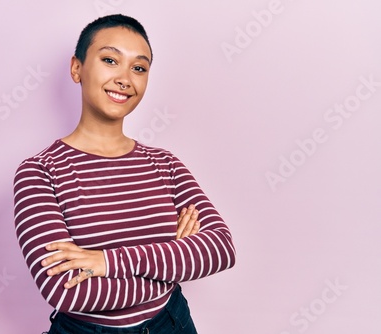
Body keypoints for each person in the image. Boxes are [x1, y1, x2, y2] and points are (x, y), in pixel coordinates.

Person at [13, 14, 236, 334]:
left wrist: (105, 262)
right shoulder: (40, 172)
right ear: (77, 68)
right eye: (109, 60)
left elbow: (219, 248)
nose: (125, 78)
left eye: (139, 67)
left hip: (171, 324)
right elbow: (65, 290)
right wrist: (171, 263)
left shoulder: (166, 164)